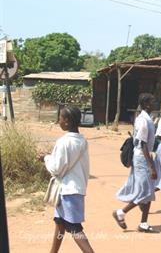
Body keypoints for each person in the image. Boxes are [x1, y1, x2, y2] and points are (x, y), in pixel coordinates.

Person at [40, 106, 94, 253]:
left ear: (67, 121)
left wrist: (45, 158)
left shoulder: (63, 142)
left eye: (61, 118)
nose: (59, 121)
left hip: (67, 190)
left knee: (75, 228)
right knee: (60, 223)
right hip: (76, 189)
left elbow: (56, 168)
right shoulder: (82, 140)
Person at [113, 93, 158, 233]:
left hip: (142, 156)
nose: (154, 104)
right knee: (145, 191)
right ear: (146, 104)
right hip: (142, 158)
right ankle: (121, 212)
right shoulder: (143, 120)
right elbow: (143, 144)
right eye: (152, 102)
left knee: (148, 191)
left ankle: (143, 223)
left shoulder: (144, 118)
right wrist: (151, 166)